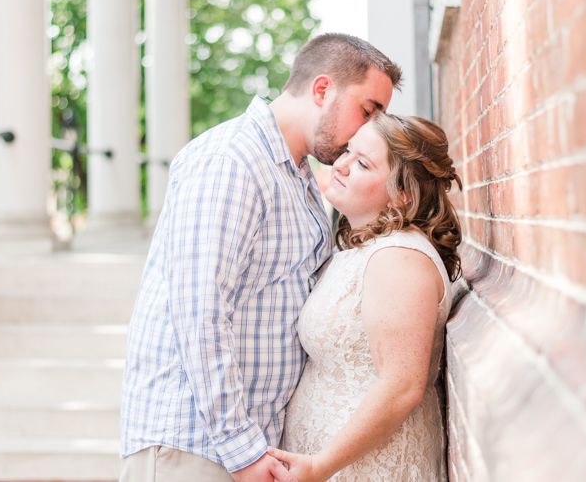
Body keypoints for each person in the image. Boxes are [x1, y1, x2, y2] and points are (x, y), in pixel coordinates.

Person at [119, 34, 403, 482]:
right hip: (194, 446)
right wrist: (242, 450)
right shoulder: (230, 160)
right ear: (322, 89)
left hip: (249, 447)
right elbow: (199, 313)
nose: (369, 130)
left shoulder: (302, 178)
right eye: (367, 111)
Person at [267, 112, 463, 481]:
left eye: (362, 163)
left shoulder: (400, 258)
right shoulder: (365, 250)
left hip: (369, 468)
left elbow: (402, 386)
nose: (340, 165)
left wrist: (320, 465)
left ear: (401, 195)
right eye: (347, 152)